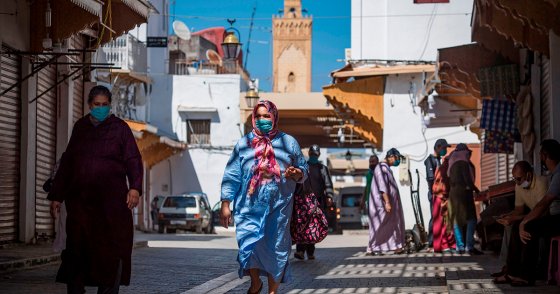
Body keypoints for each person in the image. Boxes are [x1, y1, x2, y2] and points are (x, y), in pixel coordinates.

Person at [47, 85, 143, 294]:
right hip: (80, 203)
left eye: (105, 105)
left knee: (110, 250)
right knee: (77, 249)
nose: (101, 108)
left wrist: (135, 188)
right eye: (97, 105)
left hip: (112, 205)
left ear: (110, 106)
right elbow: (68, 162)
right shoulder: (80, 127)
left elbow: (133, 159)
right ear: (89, 105)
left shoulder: (120, 128)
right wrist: (57, 195)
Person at [219, 100, 308, 294]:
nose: (261, 120)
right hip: (247, 207)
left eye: (266, 115)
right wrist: (226, 203)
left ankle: (272, 291)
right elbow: (232, 174)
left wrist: (297, 173)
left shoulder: (289, 142)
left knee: (276, 248)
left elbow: (303, 168)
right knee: (248, 244)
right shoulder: (243, 144)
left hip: (279, 208)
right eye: (258, 116)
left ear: (274, 117)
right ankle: (255, 282)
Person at [495, 139, 560, 287]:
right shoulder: (555, 173)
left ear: (543, 157)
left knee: (528, 226)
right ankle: (512, 272)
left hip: (556, 218)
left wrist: (524, 221)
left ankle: (526, 276)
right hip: (554, 217)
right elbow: (520, 209)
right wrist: (517, 219)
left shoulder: (554, 175)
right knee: (521, 224)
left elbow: (545, 203)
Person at [490, 161, 548, 280]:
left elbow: (543, 211)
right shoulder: (519, 186)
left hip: (546, 218)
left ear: (529, 175)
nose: (516, 182)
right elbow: (518, 210)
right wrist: (508, 216)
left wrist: (518, 219)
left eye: (519, 179)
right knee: (512, 224)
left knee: (524, 226)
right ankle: (511, 271)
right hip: (532, 218)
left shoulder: (541, 182)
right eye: (514, 179)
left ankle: (525, 273)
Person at [294, 144, 333, 261]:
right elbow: (298, 182)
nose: (313, 156)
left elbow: (328, 183)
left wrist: (329, 196)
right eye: (311, 154)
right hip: (303, 201)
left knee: (313, 226)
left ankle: (310, 252)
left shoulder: (323, 168)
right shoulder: (304, 167)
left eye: (315, 154)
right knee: (301, 226)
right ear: (309, 154)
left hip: (317, 203)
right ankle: (300, 251)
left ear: (319, 155)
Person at [366, 148, 407, 255]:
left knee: (392, 226)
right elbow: (382, 187)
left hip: (386, 205)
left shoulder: (385, 168)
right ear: (391, 157)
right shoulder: (382, 168)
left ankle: (397, 246)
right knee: (379, 226)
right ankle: (371, 247)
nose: (397, 161)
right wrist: (387, 203)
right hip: (381, 205)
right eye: (397, 159)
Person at [447, 143, 482, 255]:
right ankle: (469, 246)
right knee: (472, 219)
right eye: (468, 153)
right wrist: (477, 191)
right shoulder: (463, 163)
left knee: (457, 221)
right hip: (464, 193)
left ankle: (459, 246)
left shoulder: (451, 163)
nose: (469, 155)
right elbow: (468, 182)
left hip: (454, 194)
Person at [424, 139, 451, 252]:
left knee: (441, 218)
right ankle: (431, 243)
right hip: (434, 193)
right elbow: (431, 179)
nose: (445, 150)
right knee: (434, 218)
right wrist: (435, 193)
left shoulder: (439, 160)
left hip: (440, 193)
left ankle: (440, 242)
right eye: (443, 148)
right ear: (437, 147)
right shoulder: (430, 160)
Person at [431, 154, 456, 253]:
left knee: (440, 222)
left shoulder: (442, 167)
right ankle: (445, 245)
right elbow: (445, 184)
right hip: (442, 197)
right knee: (444, 222)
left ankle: (439, 245)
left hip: (439, 196)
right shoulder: (447, 168)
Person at [359, 155, 379, 255]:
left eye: (373, 162)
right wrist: (362, 201)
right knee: (373, 225)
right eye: (370, 162)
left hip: (379, 203)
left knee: (378, 225)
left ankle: (375, 246)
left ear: (378, 162)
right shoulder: (368, 174)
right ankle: (372, 247)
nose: (371, 164)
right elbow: (366, 187)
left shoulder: (380, 174)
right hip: (370, 203)